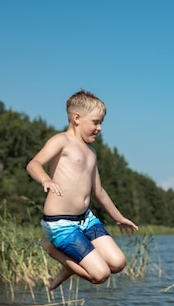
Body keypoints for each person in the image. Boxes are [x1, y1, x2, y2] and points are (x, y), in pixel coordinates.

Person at [26, 90, 139, 290]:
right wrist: (45, 179)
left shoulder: (91, 152)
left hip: (86, 219)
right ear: (77, 118)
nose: (99, 128)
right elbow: (33, 164)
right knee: (100, 274)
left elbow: (99, 191)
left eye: (101, 123)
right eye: (95, 122)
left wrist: (118, 218)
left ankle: (69, 266)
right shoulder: (61, 141)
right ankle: (54, 251)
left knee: (118, 263)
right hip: (61, 224)